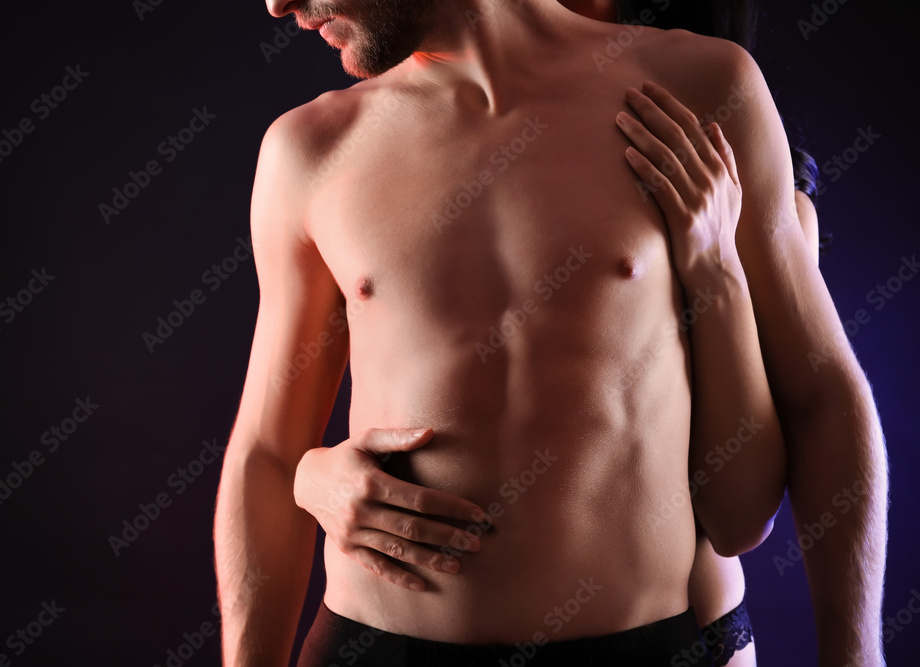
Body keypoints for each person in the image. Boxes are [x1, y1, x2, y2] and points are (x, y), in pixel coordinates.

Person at [213, 1, 886, 665]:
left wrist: (856, 655)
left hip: (656, 639)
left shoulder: (702, 86)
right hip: (377, 641)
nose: (278, 5)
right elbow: (267, 452)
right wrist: (308, 477)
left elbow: (821, 391)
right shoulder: (308, 150)